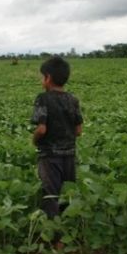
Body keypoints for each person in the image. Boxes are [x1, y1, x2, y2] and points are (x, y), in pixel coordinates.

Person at [31, 56, 83, 219]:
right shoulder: (72, 100)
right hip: (69, 155)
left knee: (51, 195)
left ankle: (54, 236)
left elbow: (41, 129)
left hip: (49, 156)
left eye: (42, 77)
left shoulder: (43, 98)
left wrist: (34, 140)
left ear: (48, 78)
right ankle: (66, 231)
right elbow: (79, 130)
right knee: (67, 194)